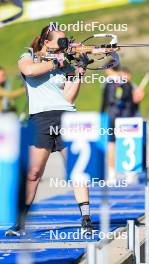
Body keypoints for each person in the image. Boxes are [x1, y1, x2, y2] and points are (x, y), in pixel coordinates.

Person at [5, 24, 93, 236]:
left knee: (76, 170)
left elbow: (69, 97)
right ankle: (21, 222)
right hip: (41, 118)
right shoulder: (28, 56)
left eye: (66, 41)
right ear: (46, 42)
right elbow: (29, 71)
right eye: (61, 41)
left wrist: (80, 70)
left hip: (66, 116)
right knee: (33, 173)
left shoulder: (65, 64)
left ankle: (86, 219)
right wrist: (58, 61)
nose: (65, 45)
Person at [101, 65, 145, 182]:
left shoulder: (108, 83)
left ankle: (115, 174)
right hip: (125, 118)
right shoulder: (126, 84)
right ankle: (125, 174)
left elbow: (105, 102)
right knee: (123, 143)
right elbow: (132, 102)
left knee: (114, 144)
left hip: (115, 117)